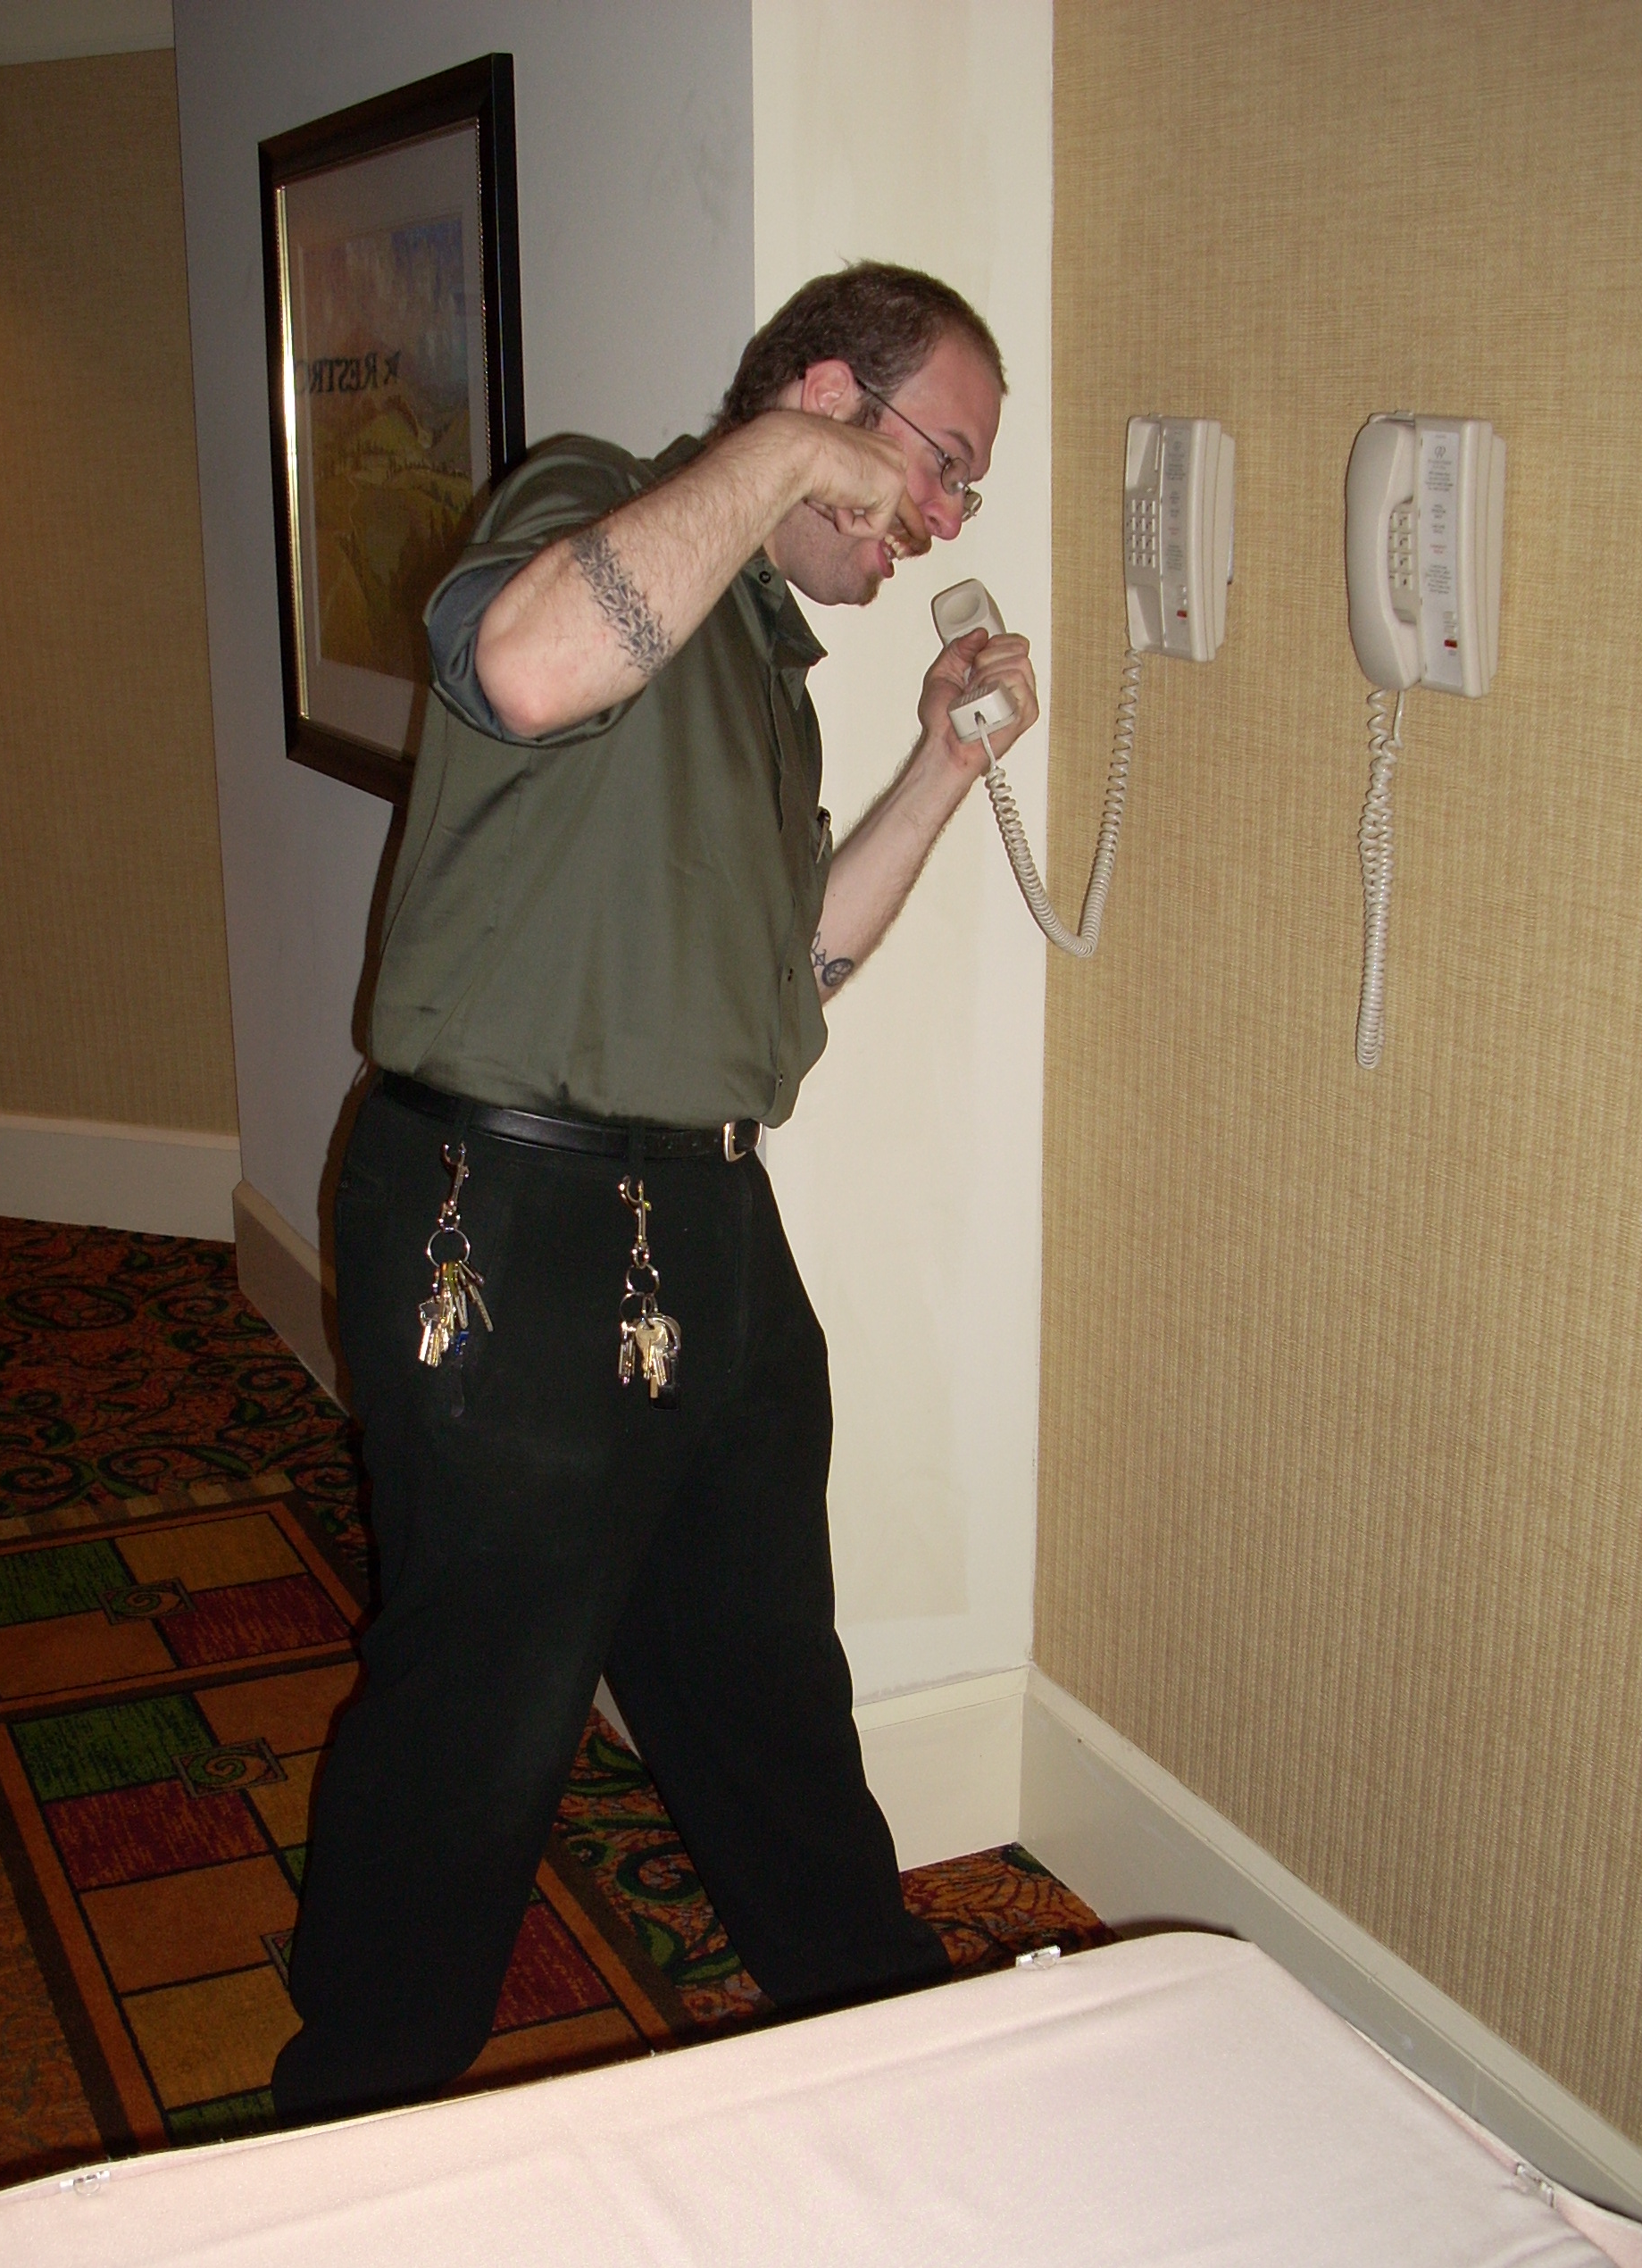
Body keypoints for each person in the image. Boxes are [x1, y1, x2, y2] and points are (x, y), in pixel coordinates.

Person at [271, 263, 1039, 2124]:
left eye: (965, 488)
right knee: (484, 1707)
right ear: (830, 398)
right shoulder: (590, 501)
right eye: (938, 461)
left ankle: (869, 2017)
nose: (942, 517)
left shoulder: (767, 674)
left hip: (707, 1222)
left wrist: (946, 762)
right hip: (504, 1214)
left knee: (764, 1675)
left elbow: (793, 975)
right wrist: (786, 452)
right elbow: (529, 665)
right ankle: (355, 2107)